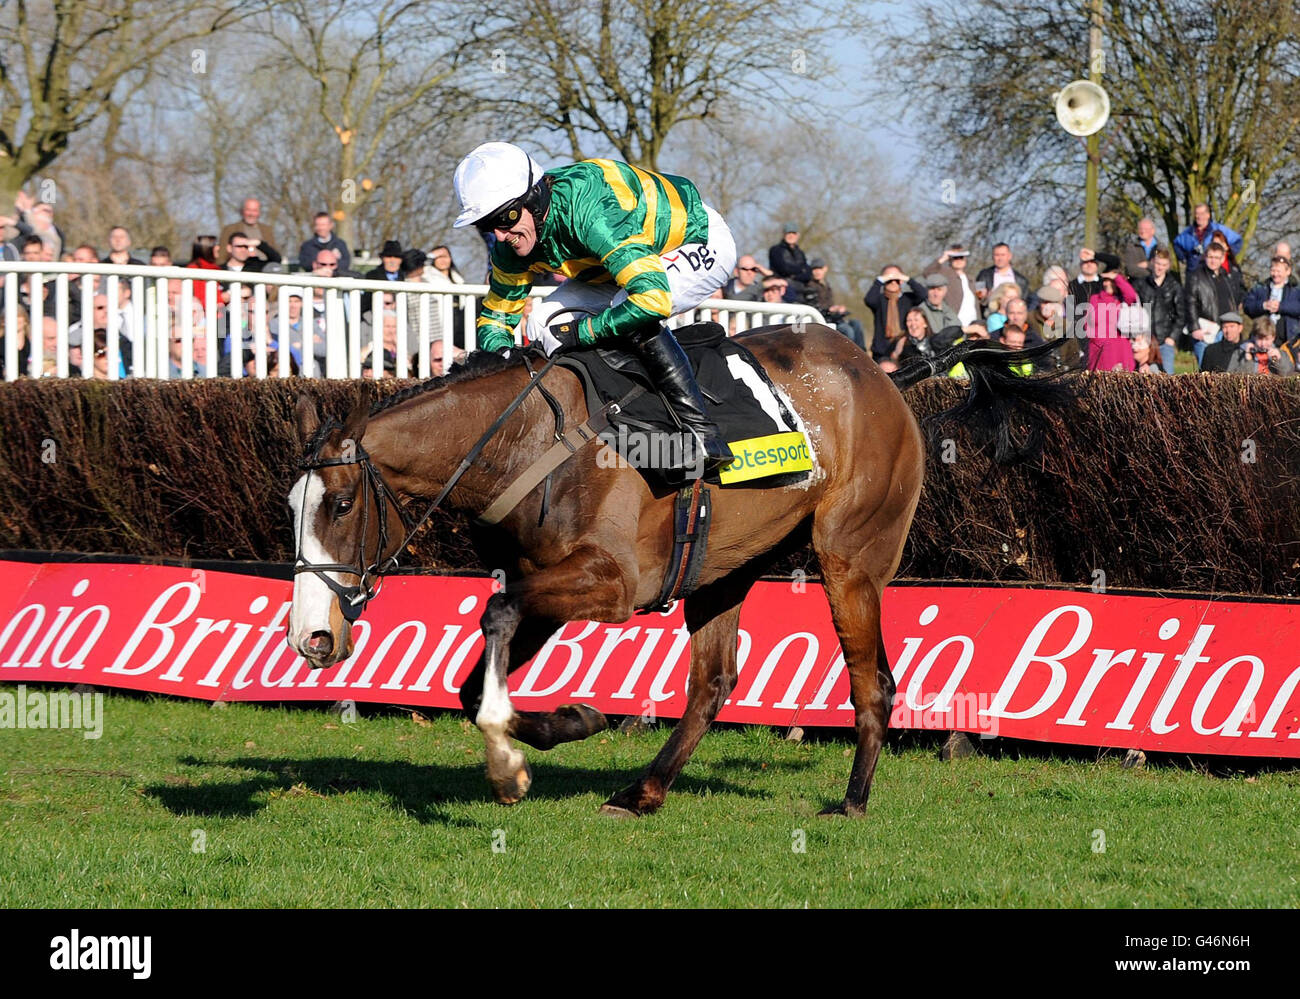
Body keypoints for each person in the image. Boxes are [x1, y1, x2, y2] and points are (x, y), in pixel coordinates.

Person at [452, 141, 738, 471]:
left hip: (694, 238)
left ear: (535, 196)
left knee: (627, 307)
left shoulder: (588, 209)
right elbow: (497, 314)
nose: (501, 236)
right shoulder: (511, 242)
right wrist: (499, 356)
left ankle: (703, 434)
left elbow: (651, 298)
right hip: (616, 262)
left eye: (506, 218)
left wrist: (585, 332)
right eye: (487, 226)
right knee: (542, 322)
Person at [1184, 242, 1239, 367]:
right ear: (1205, 257)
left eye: (1216, 257)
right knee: (1206, 372)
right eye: (1210, 257)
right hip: (1205, 331)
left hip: (1223, 330)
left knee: (1223, 370)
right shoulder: (1196, 276)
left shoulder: (1226, 277)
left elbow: (1232, 301)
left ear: (1222, 258)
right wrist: (1195, 327)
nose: (1213, 261)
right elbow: (1189, 303)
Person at [863, 265, 926, 363]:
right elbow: (869, 300)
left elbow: (923, 294)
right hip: (881, 350)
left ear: (901, 280)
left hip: (903, 349)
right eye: (888, 279)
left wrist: (907, 279)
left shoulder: (907, 298)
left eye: (896, 279)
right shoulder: (879, 300)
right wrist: (880, 280)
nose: (892, 282)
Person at [1135, 248, 1184, 373]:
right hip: (1144, 341)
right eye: (1158, 264)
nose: (1160, 267)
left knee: (1167, 379)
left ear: (1168, 266)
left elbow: (1181, 314)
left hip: (1164, 341)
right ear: (1152, 262)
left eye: (1163, 265)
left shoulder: (1174, 286)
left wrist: (1172, 337)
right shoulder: (1141, 284)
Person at [1084, 268, 1138, 371]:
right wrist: (1098, 341)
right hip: (1099, 350)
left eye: (1111, 281)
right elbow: (1088, 325)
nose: (1108, 284)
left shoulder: (1123, 300)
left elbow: (1131, 295)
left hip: (1120, 350)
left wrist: (1116, 277)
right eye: (1106, 280)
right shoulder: (1095, 299)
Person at [1243, 253, 1300, 350]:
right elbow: (1247, 306)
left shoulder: (1295, 291)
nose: (1275, 274)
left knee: (1281, 365)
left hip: (1287, 340)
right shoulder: (1260, 288)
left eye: (1279, 271)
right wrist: (1263, 305)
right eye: (1273, 270)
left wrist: (1281, 307)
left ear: (1288, 271)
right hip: (1261, 339)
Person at [1173, 203, 1242, 273]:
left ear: (1208, 215)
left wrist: (1226, 255)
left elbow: (1238, 240)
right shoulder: (1188, 233)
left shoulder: (1218, 229)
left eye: (1202, 213)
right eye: (1197, 213)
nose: (1199, 216)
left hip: (1214, 271)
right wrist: (1185, 258)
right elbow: (1176, 244)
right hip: (1193, 272)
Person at [921, 244, 979, 325]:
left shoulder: (971, 278)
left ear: (965, 259)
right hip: (955, 322)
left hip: (973, 322)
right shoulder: (945, 273)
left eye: (961, 257)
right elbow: (927, 273)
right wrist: (943, 258)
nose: (958, 260)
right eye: (955, 258)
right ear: (950, 259)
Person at [974, 243, 1031, 313]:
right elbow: (977, 294)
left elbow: (1025, 301)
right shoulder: (983, 275)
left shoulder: (1022, 280)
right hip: (989, 315)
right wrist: (984, 296)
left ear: (1009, 256)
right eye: (997, 255)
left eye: (1003, 255)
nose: (1000, 258)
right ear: (992, 257)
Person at [218, 198, 278, 264]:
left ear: (259, 212)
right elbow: (222, 255)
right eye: (248, 210)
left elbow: (274, 254)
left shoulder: (267, 230)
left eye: (255, 210)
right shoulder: (230, 229)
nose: (251, 214)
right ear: (242, 211)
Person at [1227, 320, 1296, 376]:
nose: (1263, 344)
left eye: (1267, 339)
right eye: (1260, 339)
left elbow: (1288, 375)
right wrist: (1248, 359)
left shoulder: (1281, 353)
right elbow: (1231, 377)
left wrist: (1279, 360)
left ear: (1273, 337)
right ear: (1254, 337)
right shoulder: (1240, 352)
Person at [768, 223, 812, 294]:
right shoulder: (776, 250)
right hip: (782, 288)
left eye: (793, 233)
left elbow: (808, 273)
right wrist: (801, 270)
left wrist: (795, 276)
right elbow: (784, 269)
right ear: (784, 235)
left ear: (798, 235)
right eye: (788, 233)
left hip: (800, 287)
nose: (791, 236)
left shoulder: (800, 253)